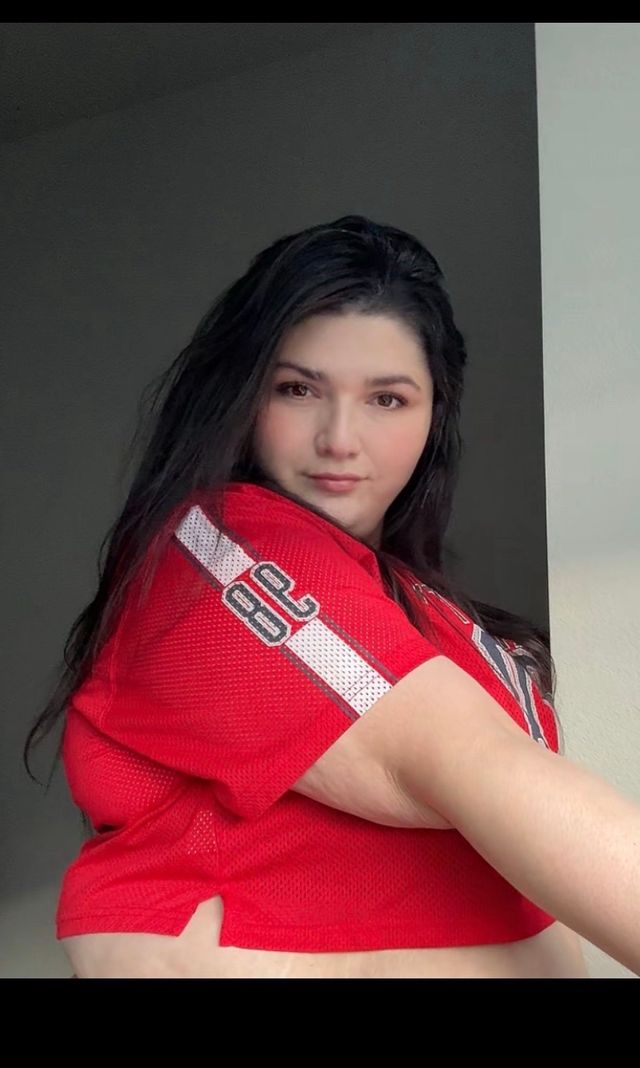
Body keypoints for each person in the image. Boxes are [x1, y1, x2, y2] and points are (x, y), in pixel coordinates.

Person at [25, 215, 639, 980]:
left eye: (388, 399)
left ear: (434, 417)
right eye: (298, 389)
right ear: (244, 396)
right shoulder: (227, 549)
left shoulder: (424, 605)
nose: (340, 438)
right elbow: (472, 768)